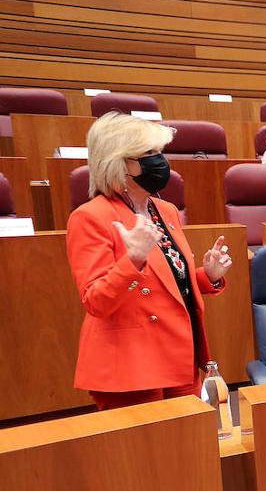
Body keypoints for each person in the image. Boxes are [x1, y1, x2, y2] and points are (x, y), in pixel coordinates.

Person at [67, 112, 233, 411]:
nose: (159, 162)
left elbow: (165, 285)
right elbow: (96, 302)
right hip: (132, 366)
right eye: (148, 154)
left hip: (179, 354)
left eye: (160, 153)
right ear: (118, 162)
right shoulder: (90, 217)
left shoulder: (165, 210)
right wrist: (133, 258)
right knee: (147, 455)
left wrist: (207, 276)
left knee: (190, 448)